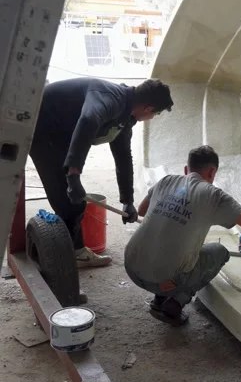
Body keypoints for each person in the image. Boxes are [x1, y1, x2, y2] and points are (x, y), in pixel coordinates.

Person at [30, 77, 173, 268]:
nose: (153, 117)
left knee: (74, 204)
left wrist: (127, 201)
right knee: (69, 204)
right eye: (156, 113)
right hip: (40, 126)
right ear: (148, 108)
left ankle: (77, 252)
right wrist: (73, 175)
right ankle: (59, 262)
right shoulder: (110, 98)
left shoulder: (126, 118)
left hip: (61, 134)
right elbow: (89, 118)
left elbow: (123, 158)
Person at [124, 145, 241, 325]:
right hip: (163, 280)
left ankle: (160, 298)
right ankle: (175, 302)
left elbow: (142, 211)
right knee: (218, 252)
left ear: (186, 170)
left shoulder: (166, 181)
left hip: (132, 268)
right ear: (212, 172)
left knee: (170, 245)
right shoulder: (215, 196)